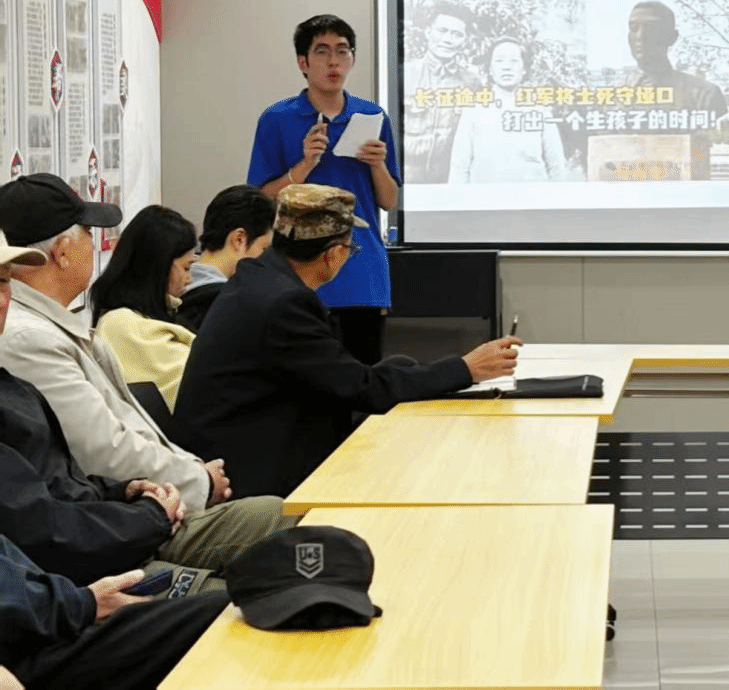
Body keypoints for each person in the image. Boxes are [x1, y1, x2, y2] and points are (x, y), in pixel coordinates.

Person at [0, 174, 295, 572]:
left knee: (286, 521)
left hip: (132, 508)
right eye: (88, 233)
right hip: (121, 527)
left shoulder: (48, 327)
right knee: (284, 525)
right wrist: (198, 484)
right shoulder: (27, 338)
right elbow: (101, 450)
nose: (95, 245)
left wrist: (189, 475)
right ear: (64, 252)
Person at [175, 183, 522, 497]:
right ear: (334, 253)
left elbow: (344, 378)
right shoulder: (284, 303)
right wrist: (466, 368)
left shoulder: (259, 281)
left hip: (243, 448)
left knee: (399, 378)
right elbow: (360, 388)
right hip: (251, 474)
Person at [248, 14, 400, 365]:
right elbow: (261, 199)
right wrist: (304, 165)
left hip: (361, 268)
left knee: (363, 374)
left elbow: (389, 200)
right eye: (322, 51)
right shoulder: (277, 118)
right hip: (299, 269)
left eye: (343, 51)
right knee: (303, 378)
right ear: (303, 62)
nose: (334, 61)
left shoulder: (372, 117)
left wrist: (377, 164)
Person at [0, 534, 228, 690]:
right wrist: (82, 603)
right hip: (32, 643)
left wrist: (122, 490)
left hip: (53, 607)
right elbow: (49, 527)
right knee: (222, 614)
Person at [91, 205, 198, 410]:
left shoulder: (151, 318)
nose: (189, 279)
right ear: (159, 266)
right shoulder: (121, 325)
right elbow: (201, 382)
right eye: (186, 267)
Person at [448, 37, 568, 183]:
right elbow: (459, 166)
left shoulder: (540, 110)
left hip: (532, 194)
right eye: (499, 61)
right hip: (485, 195)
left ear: (524, 69)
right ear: (490, 69)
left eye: (514, 61)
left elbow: (557, 166)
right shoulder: (473, 109)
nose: (506, 67)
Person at [175, 185, 275, 333]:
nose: (266, 260)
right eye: (264, 248)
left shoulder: (170, 290)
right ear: (239, 239)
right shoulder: (235, 305)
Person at [403, 0, 481, 184]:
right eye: (442, 31)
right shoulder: (405, 74)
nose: (448, 40)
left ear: (465, 40)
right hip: (406, 180)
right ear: (428, 32)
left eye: (457, 34)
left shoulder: (473, 83)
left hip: (450, 180)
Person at [625, 1, 728, 117]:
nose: (640, 36)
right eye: (634, 28)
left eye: (651, 28)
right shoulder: (613, 98)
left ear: (672, 37)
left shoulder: (704, 95)